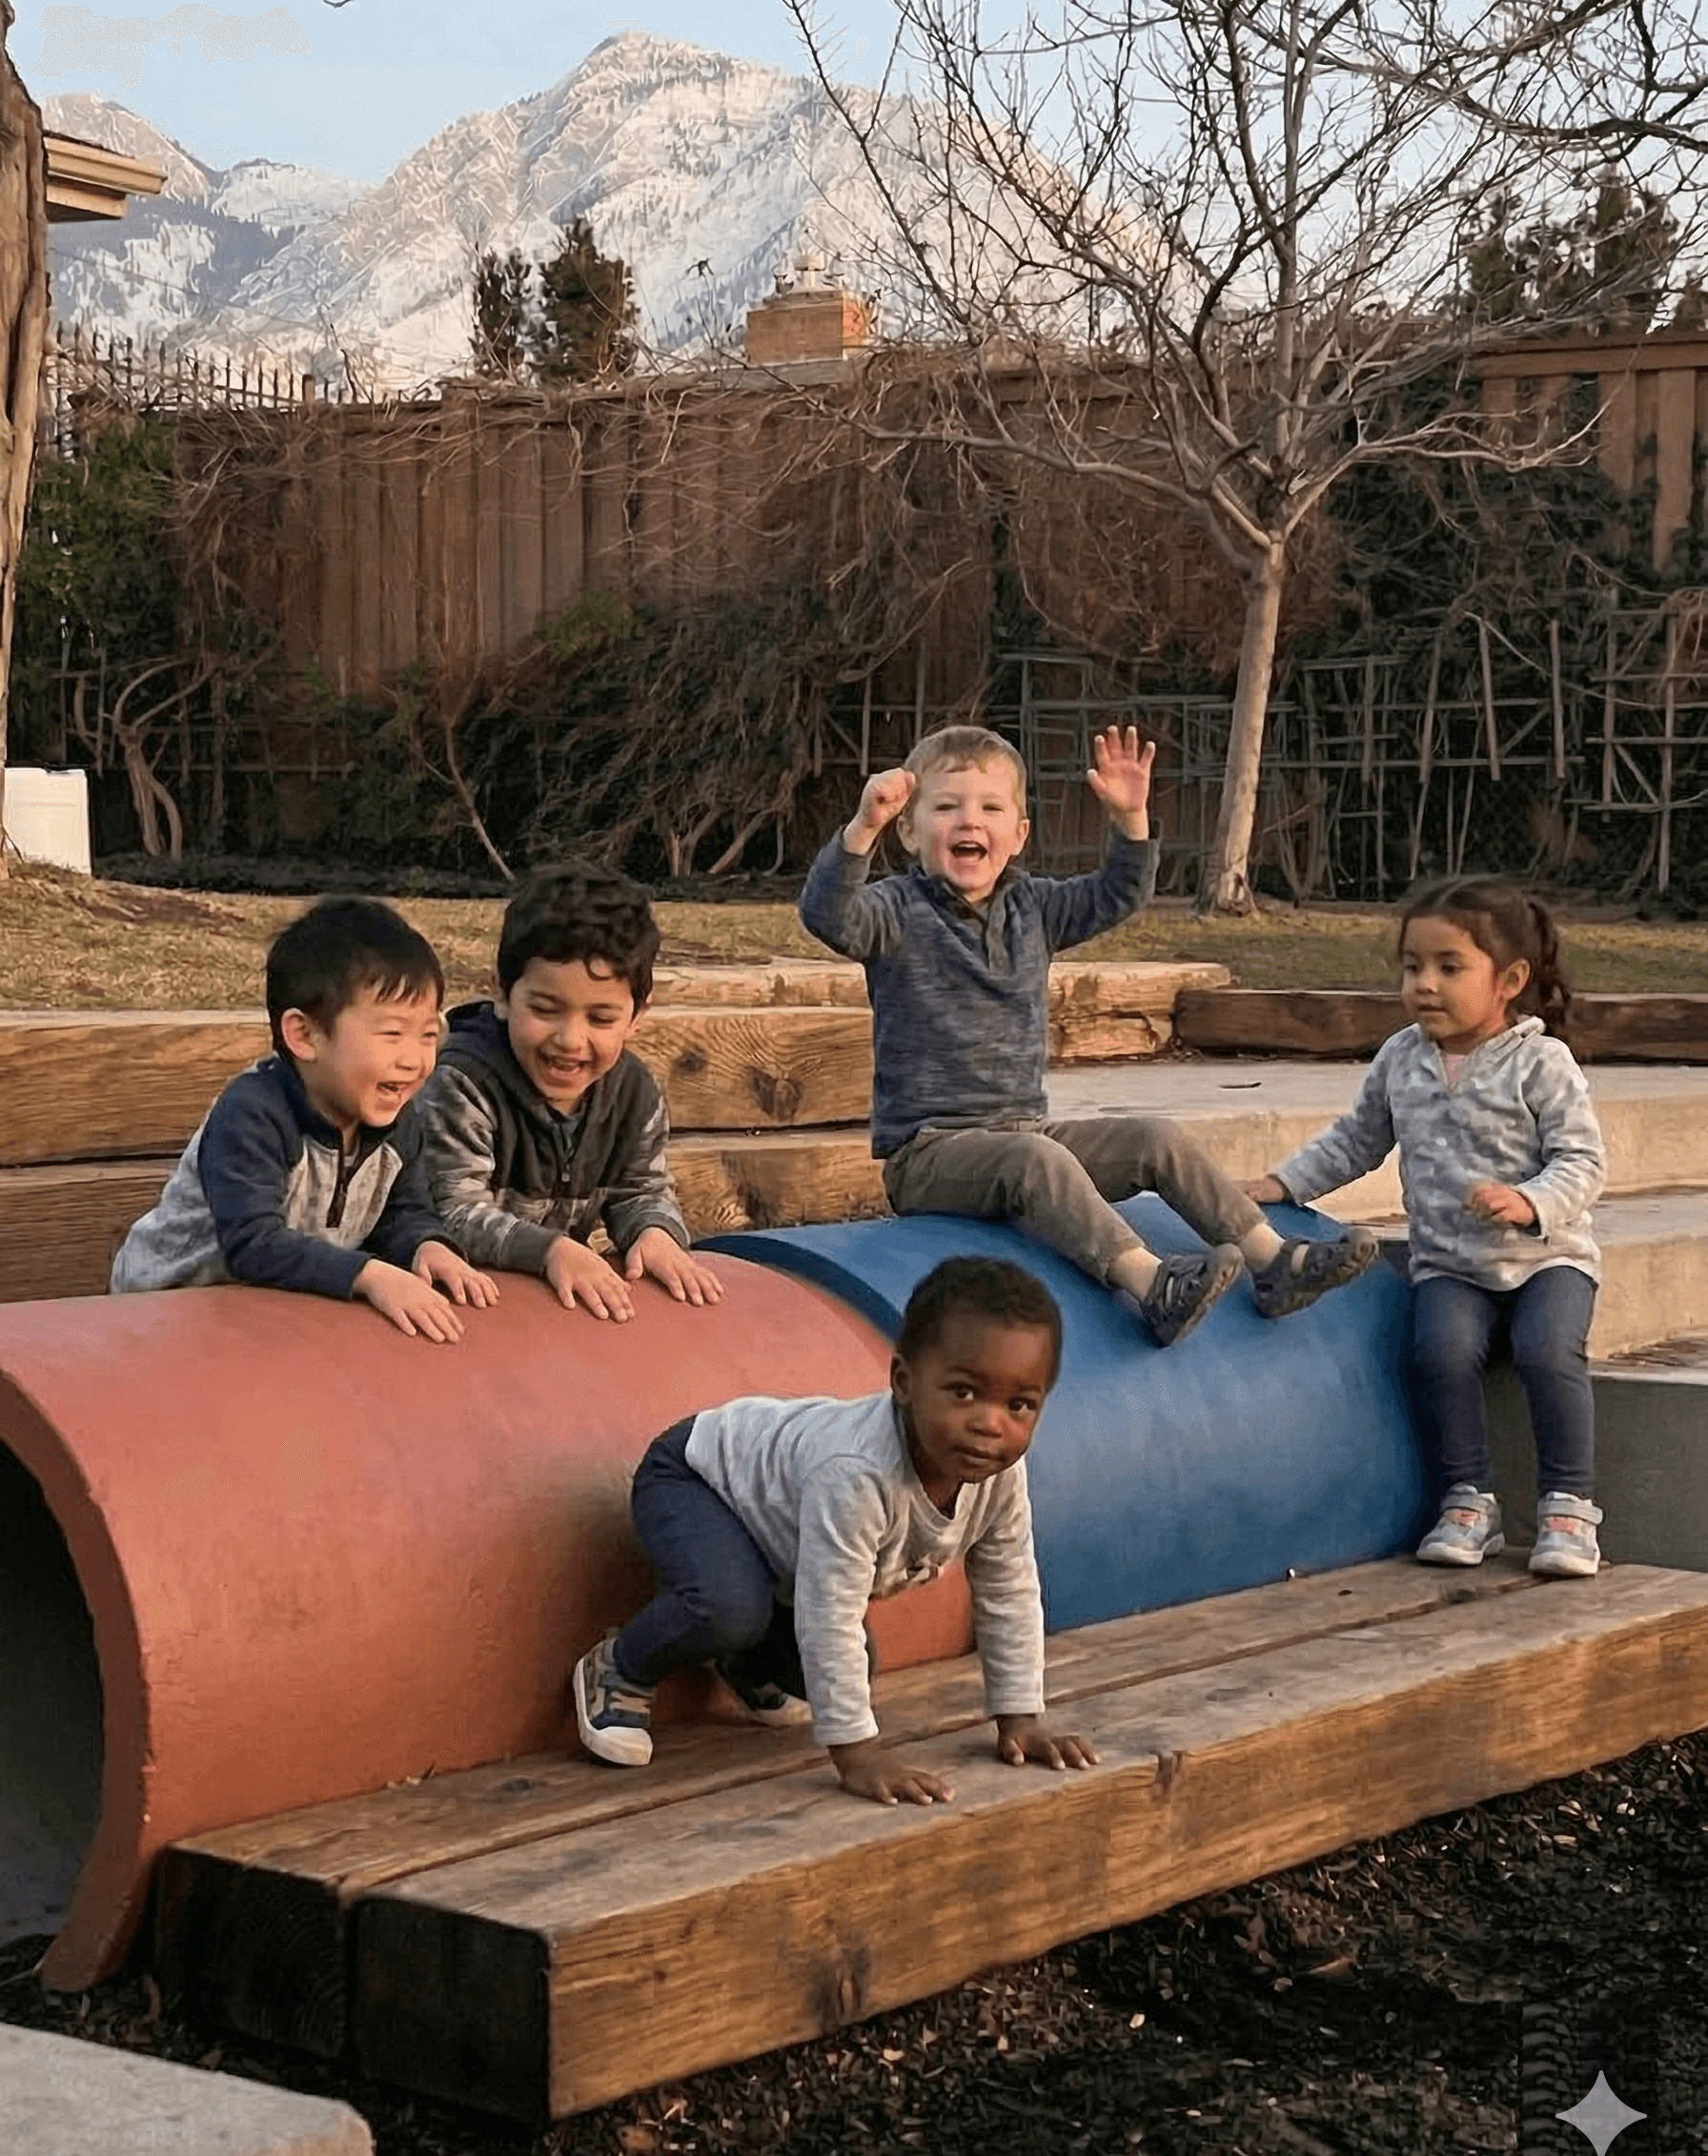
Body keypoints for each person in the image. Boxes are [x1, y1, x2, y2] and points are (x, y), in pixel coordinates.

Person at [797, 721, 1376, 1346]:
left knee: (1155, 1138)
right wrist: (861, 830)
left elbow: (1118, 894)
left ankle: (1272, 1260)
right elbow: (829, 916)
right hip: (930, 1153)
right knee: (1035, 1159)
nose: (970, 821)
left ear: (1018, 835)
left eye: (991, 807)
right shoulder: (895, 911)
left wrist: (1131, 819)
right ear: (908, 831)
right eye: (945, 807)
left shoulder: (1035, 909)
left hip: (1025, 1132)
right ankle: (1149, 1284)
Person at [573, 1255, 1099, 1801]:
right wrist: (858, 1756)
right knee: (726, 1606)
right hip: (697, 1477)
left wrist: (1020, 1718)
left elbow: (1009, 1588)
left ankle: (743, 1656)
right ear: (904, 1381)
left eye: (1019, 1404)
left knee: (840, 1671)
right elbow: (830, 1613)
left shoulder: (1000, 1477)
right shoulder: (857, 1472)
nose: (991, 1423)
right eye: (964, 1392)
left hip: (777, 1530)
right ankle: (622, 1664)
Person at [1244, 877, 1607, 1577]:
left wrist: (1531, 1201)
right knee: (1438, 1355)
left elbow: (1583, 1159)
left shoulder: (1541, 1062)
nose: (1425, 985)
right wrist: (1284, 1183)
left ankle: (1568, 1505)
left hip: (1548, 1259)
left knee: (1546, 1353)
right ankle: (1469, 1500)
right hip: (1448, 1263)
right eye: (1412, 967)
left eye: (1449, 968)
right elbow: (1357, 1139)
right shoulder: (1402, 1057)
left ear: (1510, 981)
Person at [111, 896, 497, 1342]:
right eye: (392, 1034)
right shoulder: (253, 1113)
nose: (414, 1059)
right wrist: (370, 1275)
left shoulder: (397, 1122)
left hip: (271, 1311)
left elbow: (403, 1212)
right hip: (161, 1313)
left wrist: (427, 1245)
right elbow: (253, 1243)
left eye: (428, 1034)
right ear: (305, 1034)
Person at [417, 860, 722, 1319]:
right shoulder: (463, 1084)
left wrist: (654, 1231)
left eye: (601, 1019)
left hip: (542, 1313)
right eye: (544, 1009)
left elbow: (641, 1189)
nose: (570, 1039)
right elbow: (452, 1211)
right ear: (502, 994)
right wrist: (550, 1250)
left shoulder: (634, 1094)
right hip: (451, 1295)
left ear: (636, 1016)